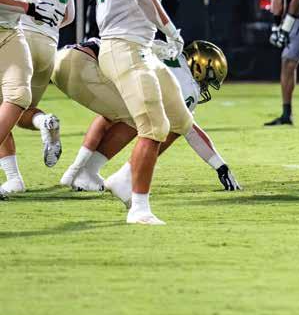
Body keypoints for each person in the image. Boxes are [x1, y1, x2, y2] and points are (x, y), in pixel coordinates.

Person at [95, 0, 193, 225]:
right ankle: (139, 208)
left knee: (180, 119)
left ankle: (124, 179)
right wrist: (170, 29)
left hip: (134, 44)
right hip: (126, 45)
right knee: (154, 126)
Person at [55, 40, 240, 201]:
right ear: (198, 67)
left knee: (122, 110)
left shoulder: (167, 51)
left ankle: (78, 171)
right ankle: (116, 177)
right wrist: (220, 166)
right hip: (89, 65)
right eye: (208, 79)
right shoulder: (187, 85)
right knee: (152, 120)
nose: (205, 86)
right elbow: (186, 127)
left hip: (76, 56)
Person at [0, 0, 79, 194]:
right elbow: (68, 15)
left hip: (16, 31)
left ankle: (14, 178)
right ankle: (44, 122)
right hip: (49, 42)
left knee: (5, 107)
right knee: (21, 109)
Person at [0, 0, 59, 201]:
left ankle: (12, 179)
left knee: (19, 97)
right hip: (8, 23)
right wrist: (29, 6)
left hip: (10, 27)